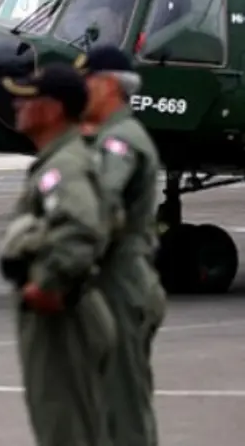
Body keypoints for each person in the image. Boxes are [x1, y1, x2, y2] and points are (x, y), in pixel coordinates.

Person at [0, 63, 116, 446]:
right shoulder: (59, 161)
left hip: (65, 318)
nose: (17, 104)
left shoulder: (64, 166)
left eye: (27, 98)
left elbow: (81, 227)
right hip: (64, 314)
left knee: (66, 429)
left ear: (52, 109)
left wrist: (48, 283)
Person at [77, 44, 167, 446]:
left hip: (122, 287)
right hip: (116, 285)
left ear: (110, 86)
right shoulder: (111, 136)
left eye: (87, 82)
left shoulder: (120, 141)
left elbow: (100, 201)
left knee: (124, 412)